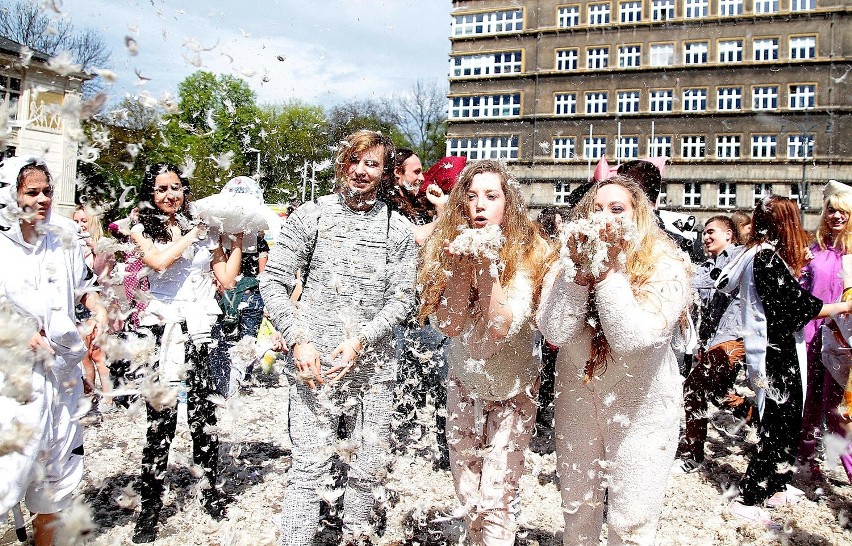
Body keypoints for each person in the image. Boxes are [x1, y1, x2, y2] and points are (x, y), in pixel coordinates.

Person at [259, 130, 417, 545]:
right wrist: (297, 337)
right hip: (314, 364)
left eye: (372, 164)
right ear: (341, 162)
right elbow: (273, 281)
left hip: (375, 366)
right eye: (355, 160)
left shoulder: (397, 229)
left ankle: (354, 537)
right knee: (308, 467)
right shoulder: (311, 216)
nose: (361, 170)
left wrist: (362, 339)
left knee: (367, 466)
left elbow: (404, 300)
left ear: (385, 173)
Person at [536, 175, 692, 545]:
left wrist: (607, 275)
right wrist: (577, 276)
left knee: (631, 522)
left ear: (638, 217)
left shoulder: (666, 262)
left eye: (617, 209)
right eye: (596, 209)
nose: (604, 218)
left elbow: (633, 338)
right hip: (578, 400)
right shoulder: (565, 263)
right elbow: (555, 332)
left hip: (644, 408)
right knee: (578, 511)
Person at [418, 159, 553, 545]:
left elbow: (497, 329)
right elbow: (449, 326)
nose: (479, 205)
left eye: (491, 196)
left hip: (516, 389)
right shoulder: (449, 247)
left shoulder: (532, 251)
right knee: (466, 494)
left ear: (507, 204)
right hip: (464, 384)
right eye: (471, 196)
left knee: (496, 497)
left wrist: (489, 270)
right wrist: (461, 271)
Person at [715, 196, 852, 520]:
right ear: (784, 223)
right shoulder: (764, 259)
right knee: (777, 424)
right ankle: (749, 498)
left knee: (789, 420)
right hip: (771, 355)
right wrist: (842, 307)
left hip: (777, 351)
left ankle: (776, 485)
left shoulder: (762, 255)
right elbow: (798, 307)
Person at [129, 164, 243, 543]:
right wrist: (195, 232)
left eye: (175, 188)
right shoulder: (140, 227)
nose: (169, 195)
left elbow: (225, 279)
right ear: (150, 193)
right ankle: (150, 507)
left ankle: (209, 489)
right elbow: (158, 262)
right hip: (162, 329)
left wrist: (238, 241)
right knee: (160, 423)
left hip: (199, 330)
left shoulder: (202, 228)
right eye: (161, 189)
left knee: (203, 415)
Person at [0, 156, 107, 546]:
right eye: (32, 192)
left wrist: (96, 310)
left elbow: (84, 287)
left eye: (47, 191)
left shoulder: (61, 238)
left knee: (57, 480)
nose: (43, 199)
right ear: (11, 196)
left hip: (61, 375)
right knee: (8, 471)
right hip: (14, 380)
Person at [676, 215, 745, 472]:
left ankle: (693, 454)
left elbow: (716, 282)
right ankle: (757, 417)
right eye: (703, 233)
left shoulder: (741, 257)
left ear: (729, 234)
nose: (705, 237)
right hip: (717, 340)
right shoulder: (709, 264)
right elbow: (692, 281)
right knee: (719, 394)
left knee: (694, 389)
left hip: (734, 338)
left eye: (711, 231)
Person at [799, 180, 852, 475]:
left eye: (843, 211)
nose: (836, 216)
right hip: (811, 335)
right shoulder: (815, 250)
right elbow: (802, 288)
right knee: (809, 402)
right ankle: (806, 459)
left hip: (842, 340)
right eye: (831, 210)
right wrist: (799, 266)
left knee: (837, 410)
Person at [72, 204, 116, 415]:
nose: (80, 226)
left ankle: (105, 399)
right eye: (76, 221)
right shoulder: (71, 247)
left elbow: (100, 274)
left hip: (96, 304)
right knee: (84, 355)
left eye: (84, 221)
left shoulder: (102, 245)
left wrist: (94, 249)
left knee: (98, 355)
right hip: (78, 305)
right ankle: (90, 397)